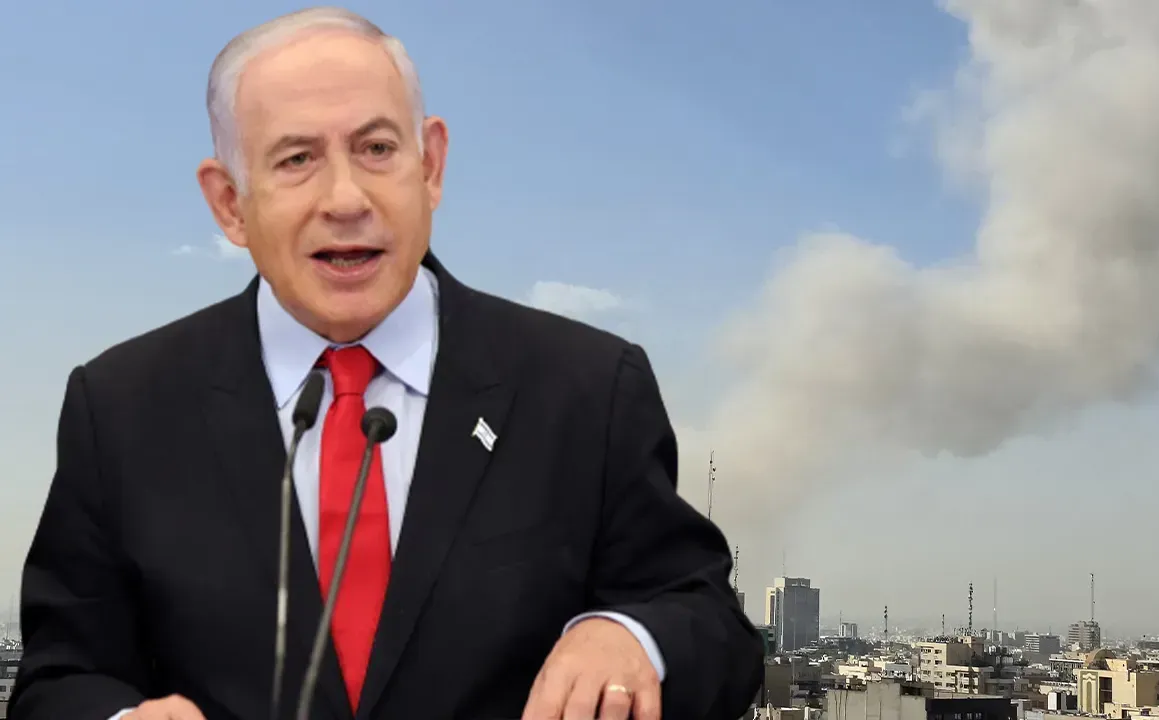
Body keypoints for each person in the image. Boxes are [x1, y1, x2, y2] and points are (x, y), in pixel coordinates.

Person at [10, 7, 763, 720]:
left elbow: (712, 627)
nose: (346, 199)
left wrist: (633, 639)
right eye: (298, 159)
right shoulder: (122, 408)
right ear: (230, 203)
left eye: (376, 149)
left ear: (430, 165)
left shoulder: (588, 388)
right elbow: (59, 679)